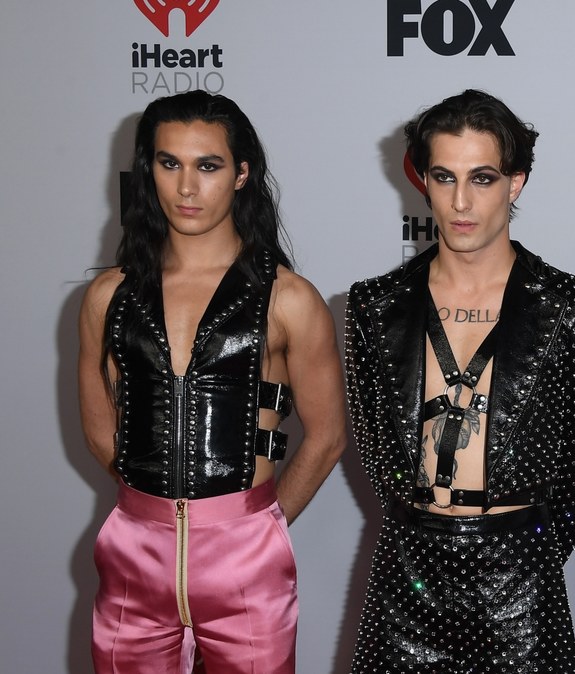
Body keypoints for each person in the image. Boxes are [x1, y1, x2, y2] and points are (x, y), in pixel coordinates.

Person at [345, 89, 575, 673]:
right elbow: (377, 448)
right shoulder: (373, 306)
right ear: (423, 179)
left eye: (483, 178)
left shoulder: (573, 306)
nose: (461, 201)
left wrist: (531, 541)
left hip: (521, 588)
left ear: (516, 182)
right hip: (406, 580)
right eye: (444, 177)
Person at [78, 90, 346, 673]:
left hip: (246, 559)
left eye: (208, 165)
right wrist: (156, 518)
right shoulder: (108, 296)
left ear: (243, 173)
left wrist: (257, 526)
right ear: (148, 169)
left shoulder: (290, 299)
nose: (186, 187)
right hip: (133, 557)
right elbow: (104, 435)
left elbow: (326, 437)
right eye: (169, 163)